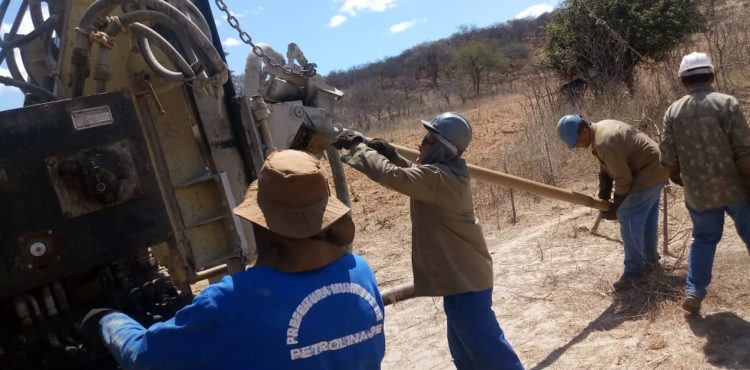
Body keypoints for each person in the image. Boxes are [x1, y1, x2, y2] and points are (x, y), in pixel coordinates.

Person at [82, 150, 386, 370]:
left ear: (263, 224)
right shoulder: (359, 270)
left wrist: (107, 319)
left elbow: (143, 357)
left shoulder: (232, 301)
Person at [332, 112, 523, 370]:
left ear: (443, 148)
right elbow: (415, 175)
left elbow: (396, 177)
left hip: (466, 281)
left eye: (428, 140)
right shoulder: (446, 173)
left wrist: (358, 147)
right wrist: (393, 156)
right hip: (462, 279)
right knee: (466, 353)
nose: (420, 144)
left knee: (491, 354)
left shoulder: (441, 179)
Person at [659, 51, 750, 315]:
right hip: (734, 187)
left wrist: (678, 176)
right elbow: (744, 150)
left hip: (699, 192)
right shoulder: (727, 103)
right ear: (711, 76)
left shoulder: (673, 111)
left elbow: (667, 156)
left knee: (704, 239)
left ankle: (694, 291)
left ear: (682, 81)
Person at [556, 115, 668, 291]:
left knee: (628, 214)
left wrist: (616, 207)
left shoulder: (604, 142)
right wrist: (604, 196)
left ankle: (635, 273)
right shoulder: (600, 131)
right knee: (645, 216)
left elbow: (624, 180)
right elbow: (606, 170)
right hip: (658, 166)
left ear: (584, 131)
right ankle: (650, 261)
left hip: (651, 170)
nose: (577, 146)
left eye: (577, 142)